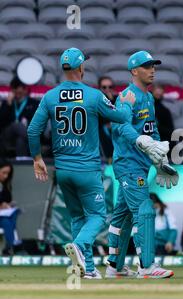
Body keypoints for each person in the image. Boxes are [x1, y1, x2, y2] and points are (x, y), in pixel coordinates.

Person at [27, 47, 134, 279]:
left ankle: (89, 269)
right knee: (97, 216)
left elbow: (33, 130)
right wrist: (125, 102)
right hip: (87, 169)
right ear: (80, 68)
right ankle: (79, 244)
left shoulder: (50, 96)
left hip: (63, 170)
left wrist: (37, 159)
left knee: (77, 217)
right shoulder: (94, 95)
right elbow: (121, 117)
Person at [105, 51, 178, 279]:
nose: (152, 70)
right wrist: (139, 140)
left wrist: (160, 160)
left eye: (153, 66)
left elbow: (151, 129)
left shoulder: (147, 97)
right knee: (144, 209)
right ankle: (147, 266)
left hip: (140, 164)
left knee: (122, 216)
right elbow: (119, 127)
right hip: (128, 164)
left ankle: (114, 268)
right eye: (147, 66)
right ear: (134, 71)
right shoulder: (127, 96)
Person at [0, 77, 40, 157]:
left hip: (24, 134)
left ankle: (22, 162)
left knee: (20, 141)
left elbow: (36, 121)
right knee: (16, 125)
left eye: (18, 88)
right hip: (8, 134)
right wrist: (8, 104)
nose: (16, 91)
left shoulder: (34, 103)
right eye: (14, 89)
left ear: (25, 90)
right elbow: (1, 122)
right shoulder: (7, 102)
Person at [0, 159, 22, 255]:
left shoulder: (4, 185)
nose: (6, 176)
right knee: (7, 221)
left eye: (8, 173)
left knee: (11, 216)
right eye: (3, 173)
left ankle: (10, 246)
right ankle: (13, 245)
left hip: (3, 216)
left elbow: (7, 199)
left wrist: (8, 204)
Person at [98, 76, 117, 161]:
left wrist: (111, 100)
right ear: (100, 88)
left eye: (110, 87)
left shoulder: (118, 100)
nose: (107, 89)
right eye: (104, 87)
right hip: (102, 131)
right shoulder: (97, 101)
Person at [152, 83, 175, 151]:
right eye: (156, 91)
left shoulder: (165, 111)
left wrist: (157, 127)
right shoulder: (146, 106)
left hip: (161, 139)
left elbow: (170, 130)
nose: (158, 93)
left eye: (160, 91)